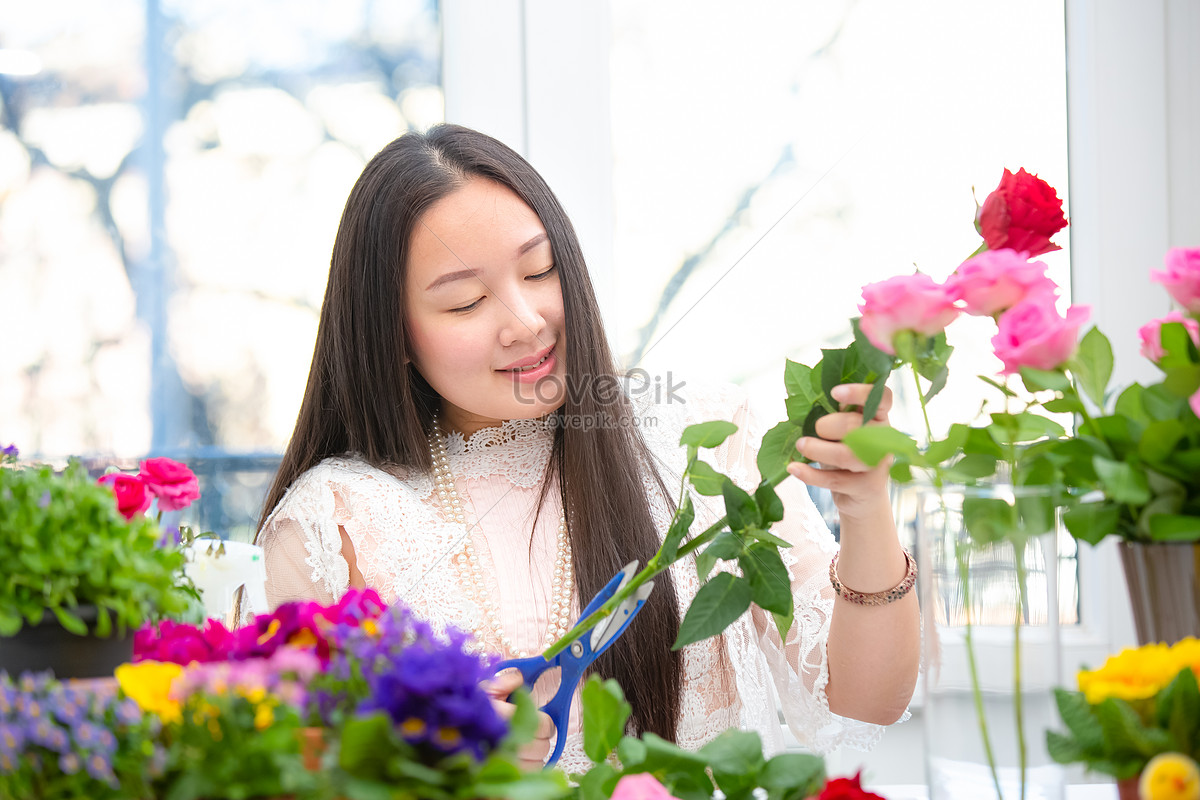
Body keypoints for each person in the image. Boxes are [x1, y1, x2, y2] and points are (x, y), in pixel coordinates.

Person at [255, 124, 920, 773]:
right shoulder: (331, 522)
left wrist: (864, 507)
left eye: (540, 270)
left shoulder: (703, 435)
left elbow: (866, 699)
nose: (525, 321)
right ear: (393, 334)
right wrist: (425, 763)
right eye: (466, 302)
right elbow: (285, 775)